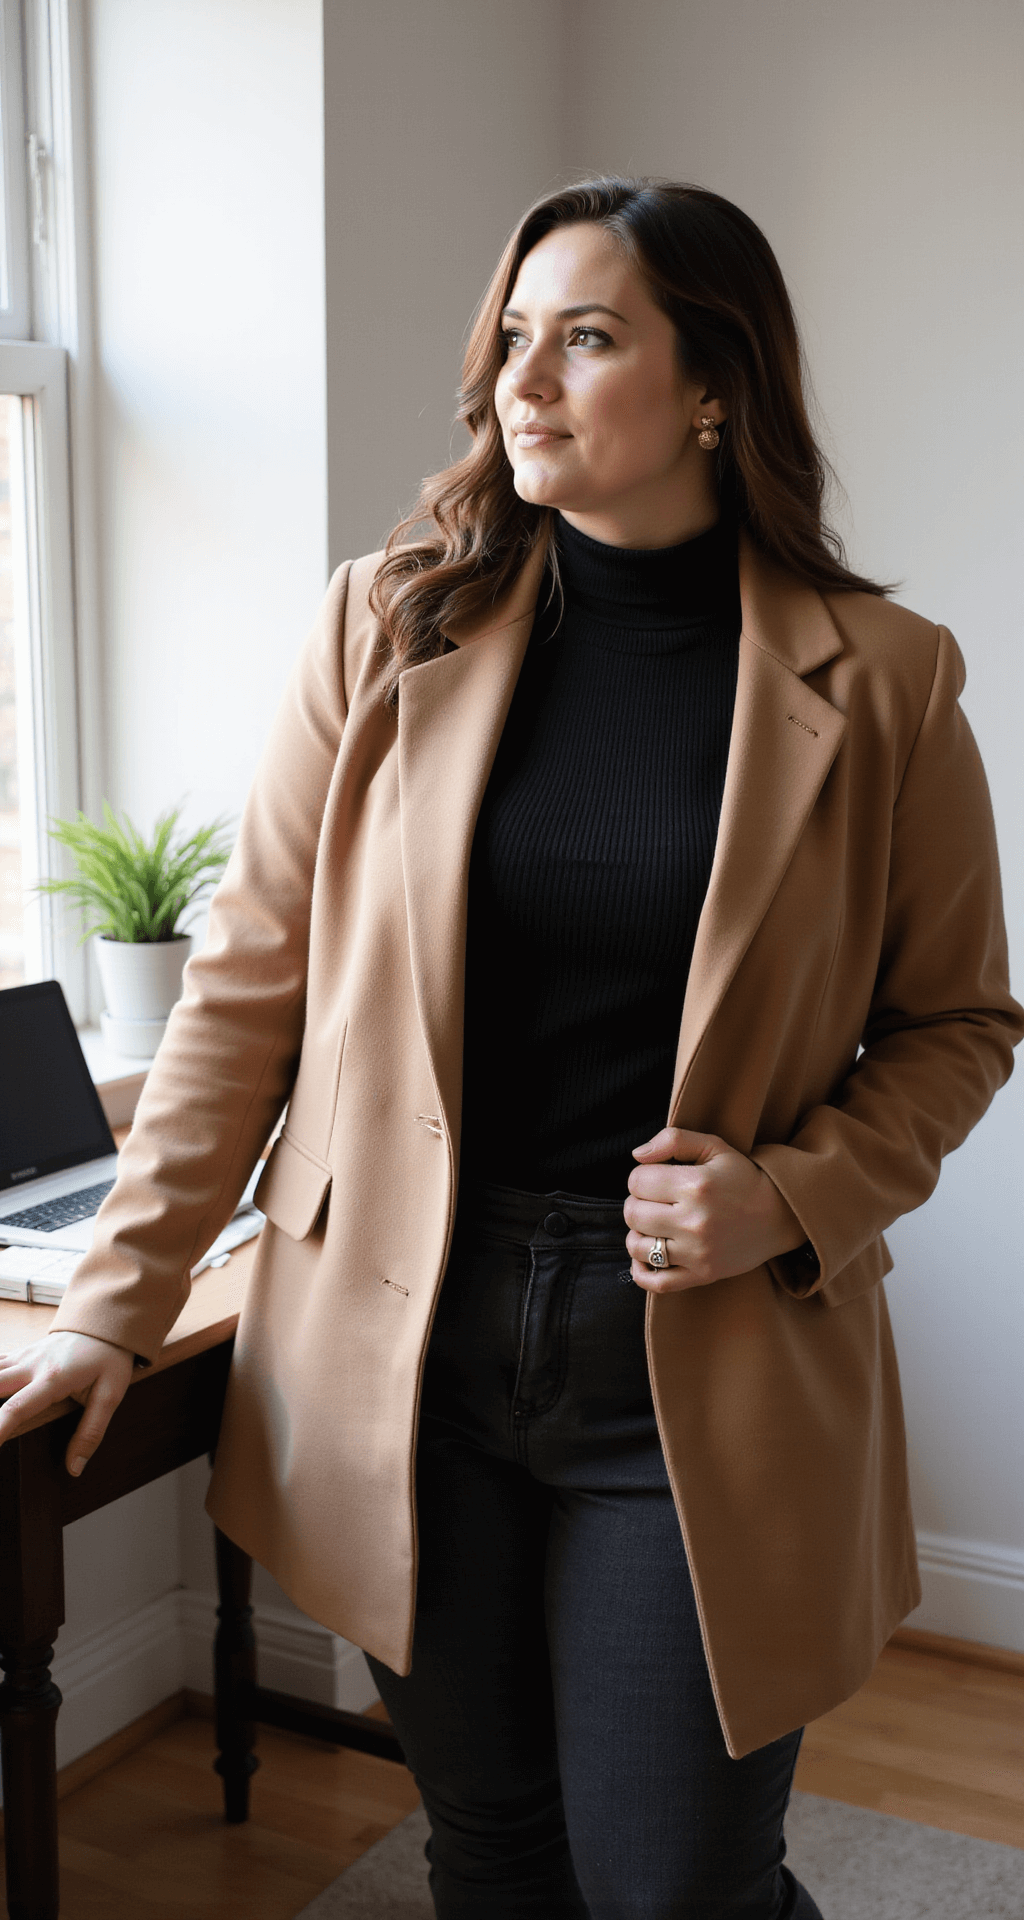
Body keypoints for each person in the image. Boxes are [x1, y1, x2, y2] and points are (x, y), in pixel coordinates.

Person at [0, 178, 1020, 1918]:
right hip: (402, 1343)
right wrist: (116, 1300)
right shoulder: (383, 622)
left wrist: (794, 1193)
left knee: (678, 1886)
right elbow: (245, 994)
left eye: (589, 338)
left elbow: (960, 1023)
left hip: (689, 1357)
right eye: (513, 338)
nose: (520, 383)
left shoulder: (885, 680)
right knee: (494, 1857)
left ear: (716, 387)